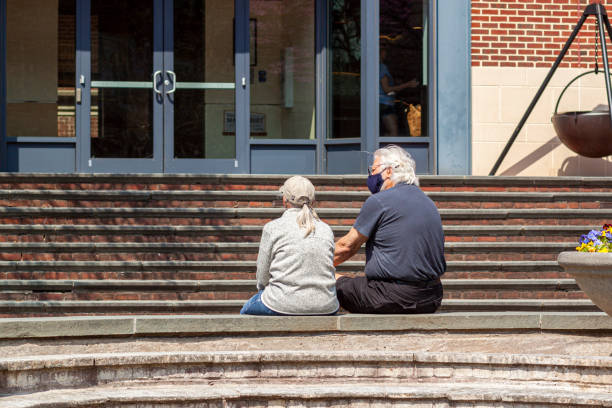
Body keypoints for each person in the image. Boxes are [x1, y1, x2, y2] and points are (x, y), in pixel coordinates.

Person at [334, 145, 446, 314]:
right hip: (431, 297)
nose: (371, 176)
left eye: (373, 170)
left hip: (391, 296)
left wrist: (317, 264)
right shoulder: (428, 202)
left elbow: (346, 247)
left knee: (328, 279)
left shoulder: (380, 201)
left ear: (387, 171)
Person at [240, 176, 339, 316]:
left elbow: (262, 277)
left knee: (246, 310)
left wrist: (265, 289)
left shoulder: (272, 228)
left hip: (281, 303)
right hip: (326, 305)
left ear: (284, 200)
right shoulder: (326, 229)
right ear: (314, 201)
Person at [380, 44, 419, 136]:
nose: (387, 54)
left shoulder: (379, 68)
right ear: (381, 53)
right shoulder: (382, 68)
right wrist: (408, 84)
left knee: (388, 131)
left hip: (385, 104)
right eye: (385, 51)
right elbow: (387, 90)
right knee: (393, 132)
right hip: (385, 104)